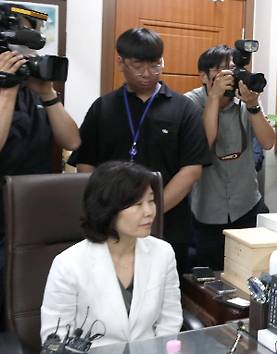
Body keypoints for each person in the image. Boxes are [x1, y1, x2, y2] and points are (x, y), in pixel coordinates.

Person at [68, 28, 211, 275]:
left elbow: (192, 170)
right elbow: (86, 164)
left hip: (169, 226)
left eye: (155, 65)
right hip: (112, 226)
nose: (147, 73)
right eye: (138, 65)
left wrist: (150, 211)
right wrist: (111, 212)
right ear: (120, 62)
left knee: (165, 295)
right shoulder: (104, 107)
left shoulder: (183, 108)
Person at [40, 161, 182, 348]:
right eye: (138, 204)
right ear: (108, 209)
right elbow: (55, 336)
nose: (149, 212)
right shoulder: (68, 264)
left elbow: (170, 320)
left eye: (151, 200)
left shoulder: (163, 253)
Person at [0, 4, 80, 330]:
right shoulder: (7, 89)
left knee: (33, 299)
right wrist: (5, 92)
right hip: (1, 214)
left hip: (34, 211)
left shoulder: (31, 88)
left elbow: (72, 140)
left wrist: (47, 94)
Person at [185, 45, 275, 270]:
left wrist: (253, 104)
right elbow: (203, 145)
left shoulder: (244, 102)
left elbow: (268, 142)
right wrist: (214, 98)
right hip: (207, 211)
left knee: (251, 272)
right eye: (221, 70)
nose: (228, 76)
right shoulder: (190, 103)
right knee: (209, 281)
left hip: (247, 205)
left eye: (232, 69)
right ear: (204, 76)